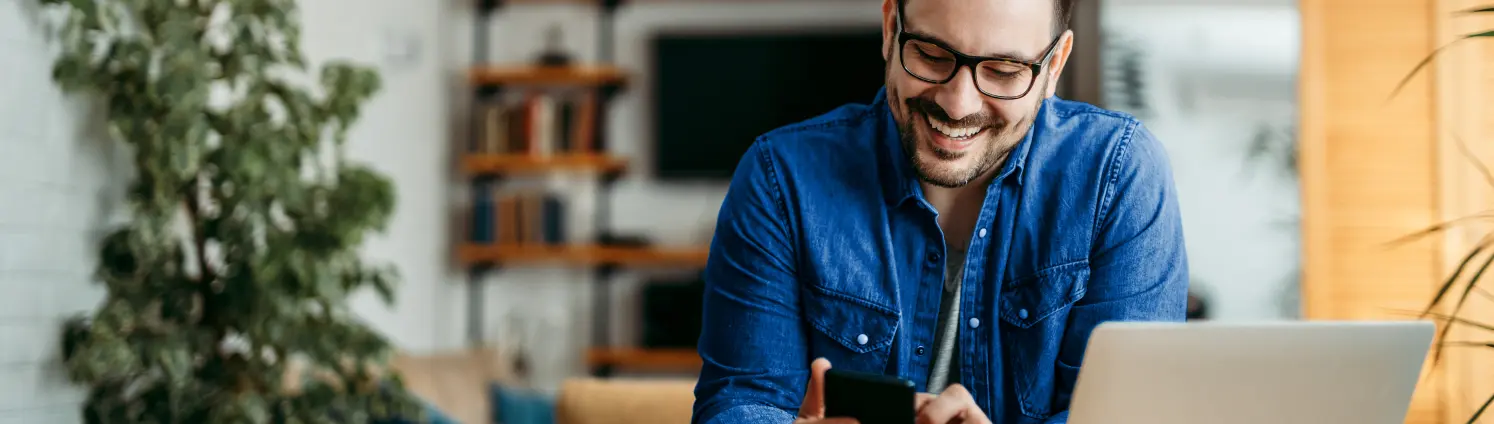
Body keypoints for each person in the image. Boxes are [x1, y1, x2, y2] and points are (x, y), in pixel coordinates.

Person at [690, 0, 1189, 422]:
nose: (956, 103)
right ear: (890, 30)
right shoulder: (781, 178)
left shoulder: (1118, 175)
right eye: (930, 55)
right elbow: (738, 403)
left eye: (1003, 71)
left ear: (1054, 66)